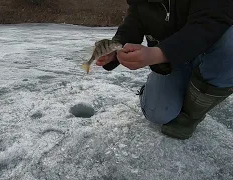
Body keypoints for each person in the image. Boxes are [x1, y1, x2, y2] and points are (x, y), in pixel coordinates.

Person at [96, 0, 233, 140]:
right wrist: (113, 50)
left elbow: (211, 22)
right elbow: (130, 29)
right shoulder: (139, 4)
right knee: (158, 114)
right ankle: (156, 90)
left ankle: (190, 117)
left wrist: (160, 53)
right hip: (170, 65)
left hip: (207, 55)